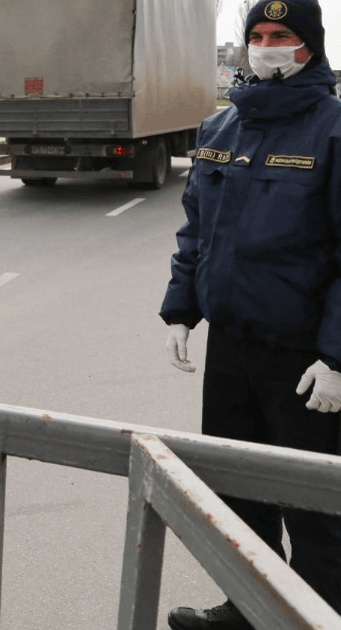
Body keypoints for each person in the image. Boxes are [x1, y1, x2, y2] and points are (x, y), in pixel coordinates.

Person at [160, 1, 341, 628]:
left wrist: (336, 357)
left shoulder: (334, 131)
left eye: (281, 36)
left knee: (315, 510)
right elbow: (196, 230)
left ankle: (315, 617)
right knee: (239, 492)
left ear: (308, 47)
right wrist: (182, 307)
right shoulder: (222, 127)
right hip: (231, 351)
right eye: (258, 36)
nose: (266, 46)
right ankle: (246, 607)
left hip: (303, 362)